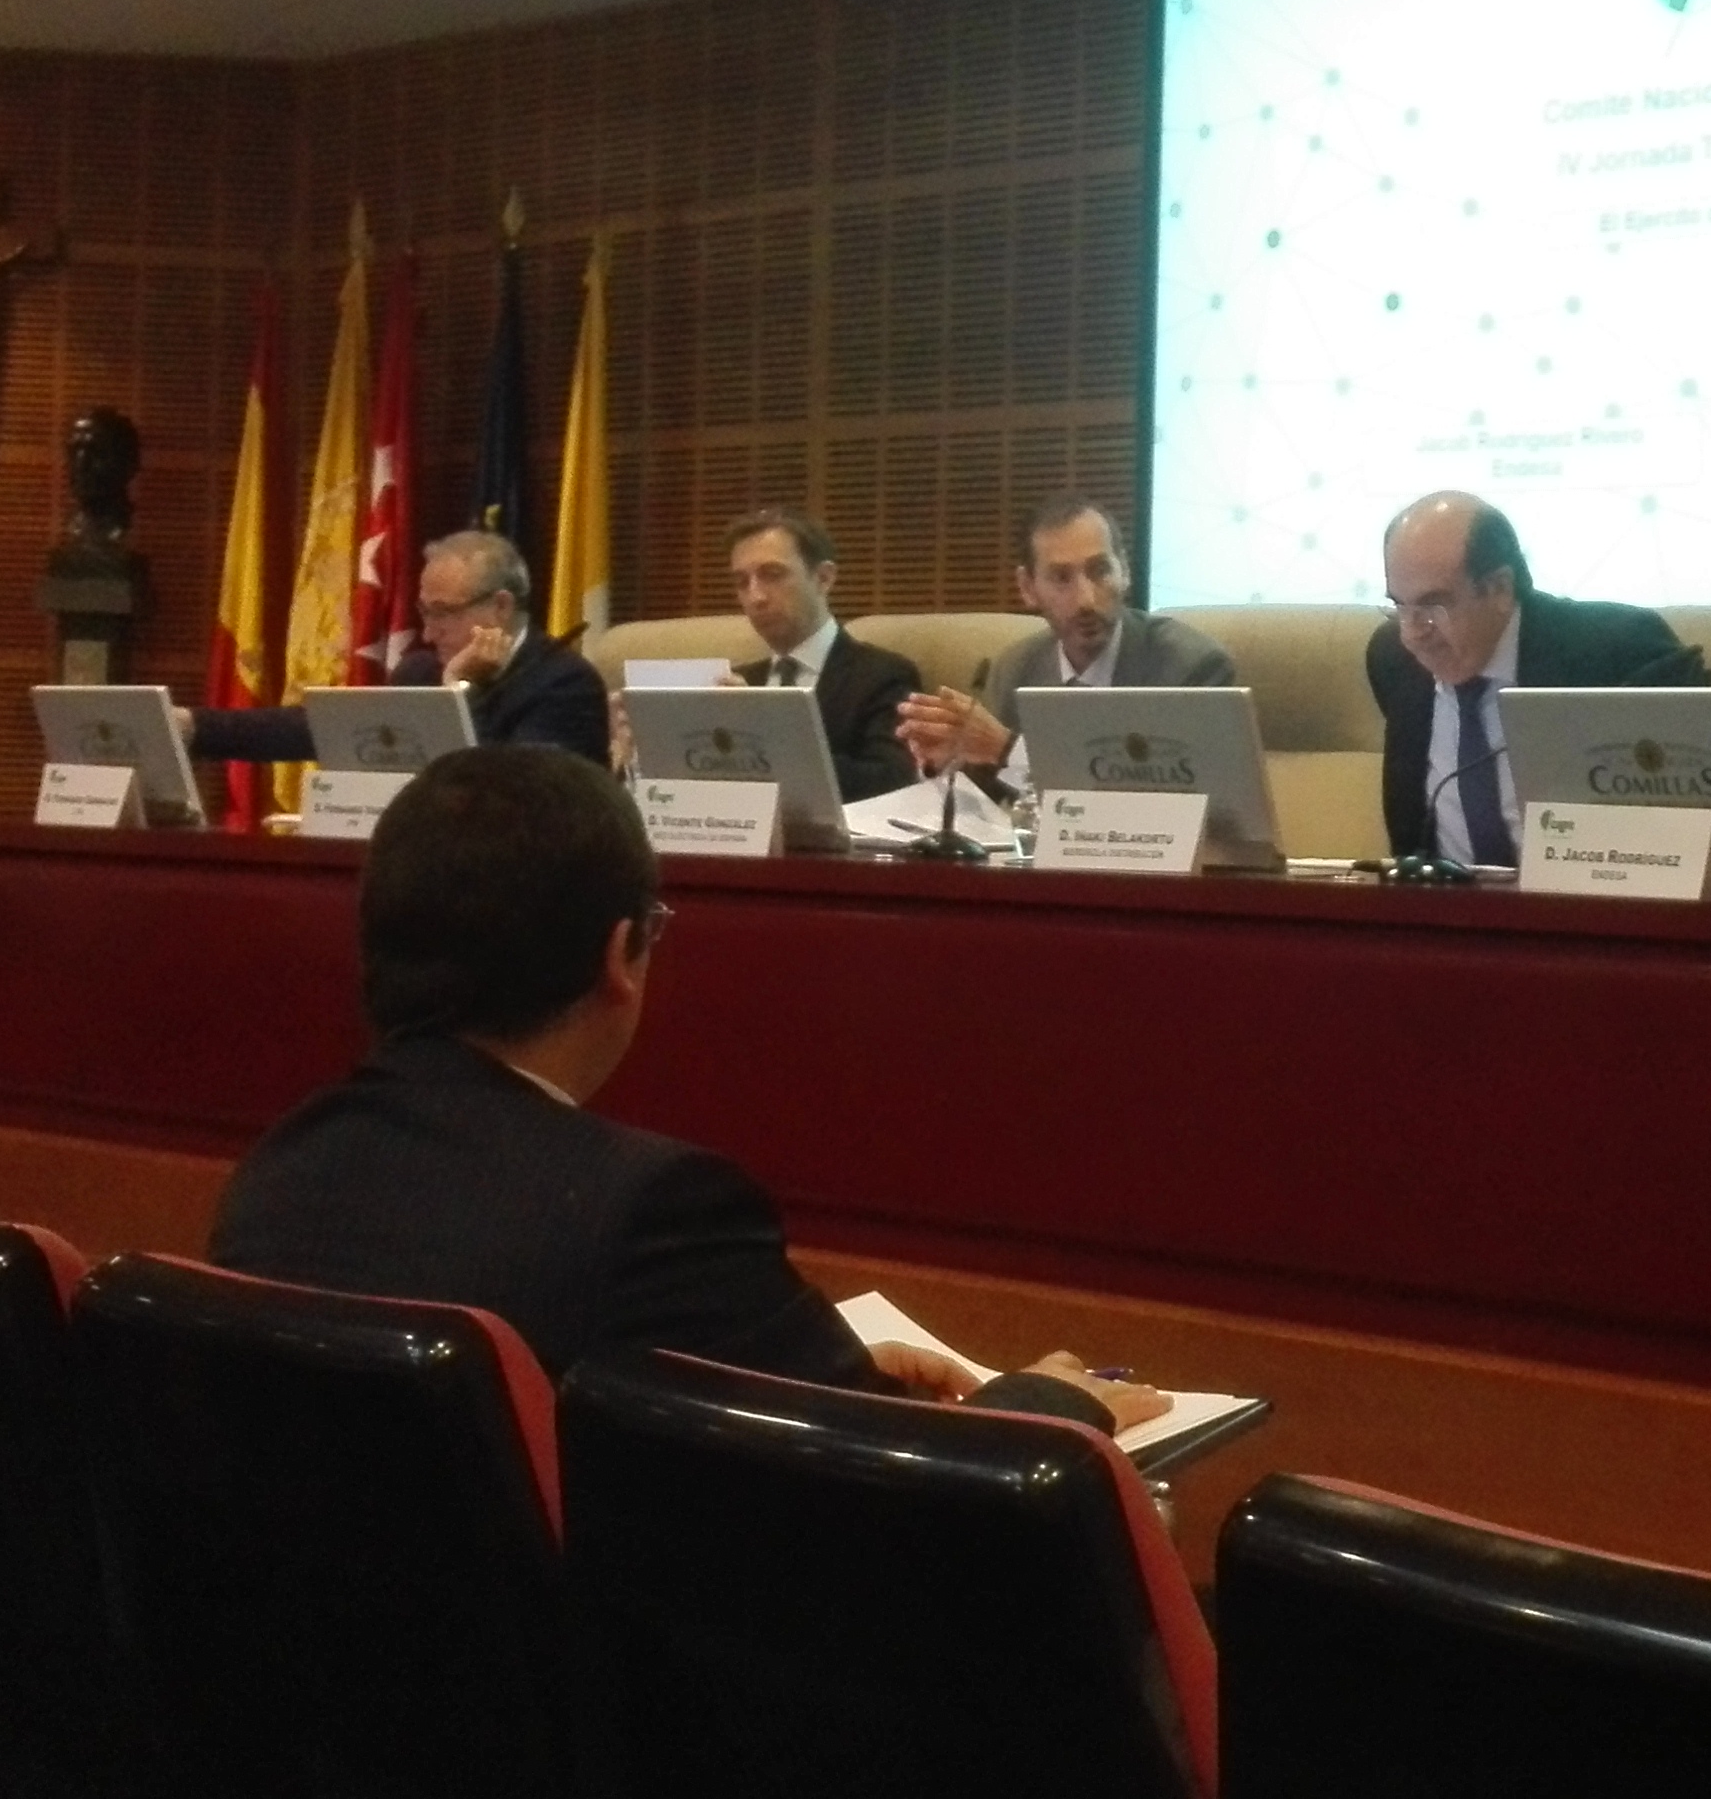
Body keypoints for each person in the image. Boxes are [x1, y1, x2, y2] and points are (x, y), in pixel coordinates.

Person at [209, 745, 1163, 1432]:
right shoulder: (650, 1210)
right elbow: (886, 1490)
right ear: (620, 955)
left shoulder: (280, 1169)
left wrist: (820, 1370)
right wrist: (1046, 1406)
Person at [1364, 492, 1709, 870]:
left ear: (1499, 588)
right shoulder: (1393, 661)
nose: (1412, 634)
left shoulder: (1620, 652)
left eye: (1433, 606)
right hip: (1443, 902)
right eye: (1399, 606)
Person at [896, 496, 1237, 792]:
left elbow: (1167, 805)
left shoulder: (1190, 667)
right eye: (1061, 578)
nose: (1086, 599)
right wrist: (943, 764)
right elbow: (988, 797)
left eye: (1100, 571)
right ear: (1028, 587)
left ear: (1125, 571)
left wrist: (1009, 750)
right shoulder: (1015, 669)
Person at [188, 529, 609, 768]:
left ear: (500, 607)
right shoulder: (420, 672)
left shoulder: (565, 685)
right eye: (424, 612)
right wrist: (195, 727)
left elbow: (507, 799)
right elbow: (325, 727)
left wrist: (460, 691)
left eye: (443, 613)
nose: (428, 633)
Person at [719, 509, 917, 803]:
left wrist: (764, 734)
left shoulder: (883, 675)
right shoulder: (737, 683)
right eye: (741, 582)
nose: (755, 597)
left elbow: (891, 782)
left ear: (823, 578)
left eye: (772, 575)